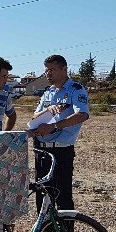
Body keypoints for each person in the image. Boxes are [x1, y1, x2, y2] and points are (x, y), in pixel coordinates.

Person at [31, 54, 90, 214]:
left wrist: (55, 126)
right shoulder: (48, 92)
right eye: (46, 71)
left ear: (64, 69)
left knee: (63, 196)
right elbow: (35, 116)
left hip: (61, 150)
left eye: (52, 70)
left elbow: (82, 114)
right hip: (41, 149)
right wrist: (47, 110)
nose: (48, 74)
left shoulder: (75, 89)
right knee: (43, 195)